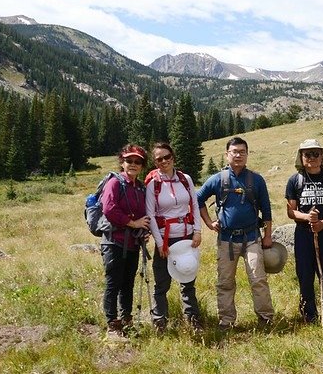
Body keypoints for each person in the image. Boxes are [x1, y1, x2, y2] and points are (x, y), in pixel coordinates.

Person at [198, 137, 275, 329]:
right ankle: (226, 321)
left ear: (247, 154)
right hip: (226, 239)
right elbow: (197, 199)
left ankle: (266, 319)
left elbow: (266, 210)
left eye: (242, 151)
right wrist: (209, 222)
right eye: (234, 151)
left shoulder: (257, 180)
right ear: (227, 155)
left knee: (258, 279)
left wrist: (267, 235)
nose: (238, 155)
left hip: (252, 238)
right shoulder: (217, 179)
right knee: (225, 282)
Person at [145, 142, 203, 333]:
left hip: (186, 236)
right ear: (154, 162)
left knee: (188, 278)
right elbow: (151, 214)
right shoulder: (153, 184)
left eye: (167, 157)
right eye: (159, 159)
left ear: (173, 157)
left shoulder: (185, 179)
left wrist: (197, 231)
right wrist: (160, 243)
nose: (163, 161)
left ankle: (193, 318)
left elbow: (194, 205)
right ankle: (160, 321)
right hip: (165, 238)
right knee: (162, 282)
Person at [285, 139, 323, 325]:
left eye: (315, 154)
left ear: (322, 156)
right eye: (307, 154)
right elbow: (290, 211)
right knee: (305, 275)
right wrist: (306, 217)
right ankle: (309, 316)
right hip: (303, 234)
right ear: (301, 158)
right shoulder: (295, 180)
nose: (312, 158)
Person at [100, 144, 151, 340]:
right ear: (122, 162)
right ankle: (112, 324)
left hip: (132, 244)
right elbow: (109, 209)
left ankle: (126, 319)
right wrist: (133, 223)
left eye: (137, 162)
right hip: (114, 242)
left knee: (128, 283)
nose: (133, 164)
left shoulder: (140, 187)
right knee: (114, 283)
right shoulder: (115, 183)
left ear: (142, 166)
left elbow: (144, 215)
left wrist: (142, 229)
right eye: (129, 160)